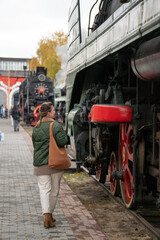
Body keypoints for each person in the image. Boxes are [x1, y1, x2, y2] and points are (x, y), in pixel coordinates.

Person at [32, 102, 68, 228]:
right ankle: (49, 214)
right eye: (53, 110)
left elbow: (35, 144)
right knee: (54, 190)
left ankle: (47, 216)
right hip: (55, 163)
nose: (55, 112)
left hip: (40, 164)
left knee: (44, 190)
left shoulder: (36, 127)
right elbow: (63, 141)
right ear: (48, 113)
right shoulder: (55, 126)